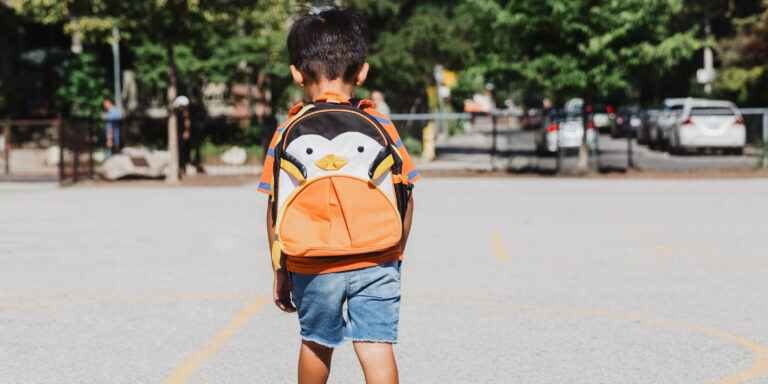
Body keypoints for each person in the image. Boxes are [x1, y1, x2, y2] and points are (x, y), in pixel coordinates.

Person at [258, 7, 419, 384]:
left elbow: (274, 208)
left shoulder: (286, 132)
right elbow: (406, 193)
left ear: (297, 74)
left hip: (312, 262)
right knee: (376, 346)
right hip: (377, 256)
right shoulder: (380, 124)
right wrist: (395, 252)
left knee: (316, 343)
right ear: (362, 73)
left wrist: (281, 269)